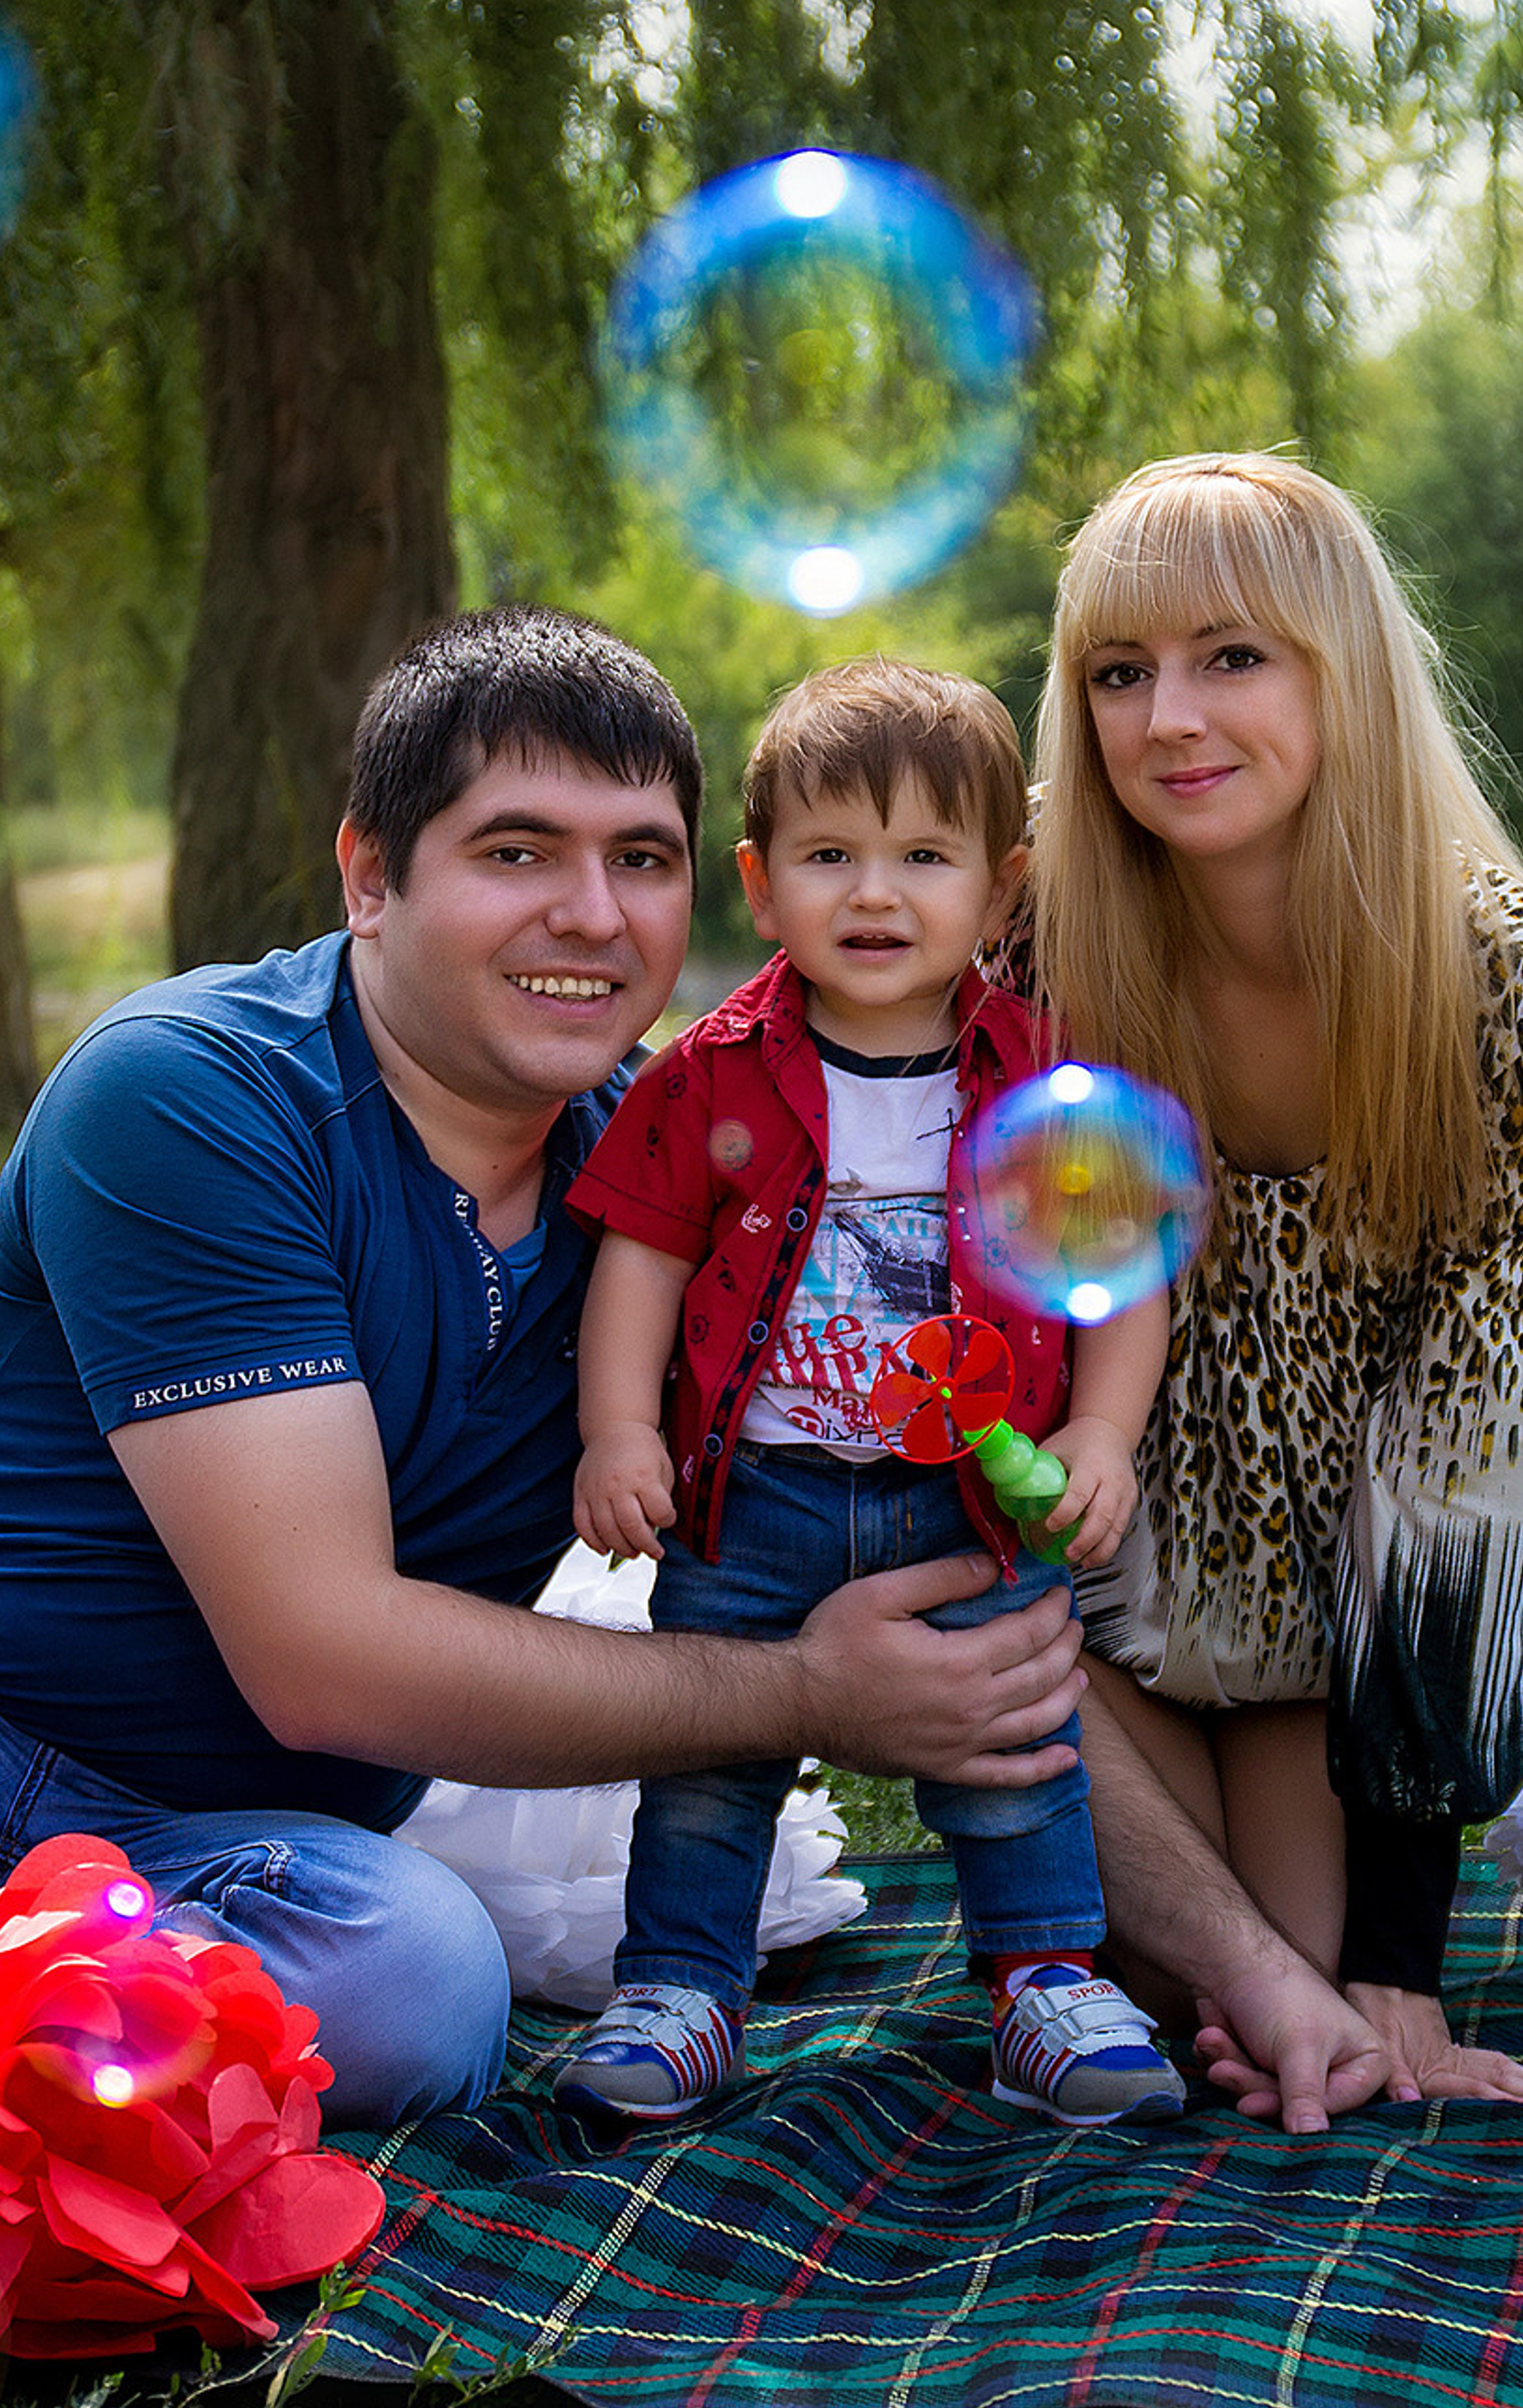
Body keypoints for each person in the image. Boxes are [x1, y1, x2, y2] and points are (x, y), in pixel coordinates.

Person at [0, 607, 1093, 2130]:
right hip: (37, 1766)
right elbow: (322, 1660)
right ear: (372, 878)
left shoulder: (666, 1174)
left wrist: (1259, 1972)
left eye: (638, 859)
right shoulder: (190, 1096)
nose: (591, 914)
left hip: (283, 1832)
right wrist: (805, 1692)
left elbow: (972, 1596)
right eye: (517, 852)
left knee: (429, 1967)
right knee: (420, 1985)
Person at [1026, 449, 1523, 2108]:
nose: (1166, 721)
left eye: (1231, 657)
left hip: (1327, 1636)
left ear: (1338, 667)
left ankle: (1256, 1945)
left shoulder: (1506, 987)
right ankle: (1205, 1934)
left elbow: (1464, 1462)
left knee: (1282, 1976)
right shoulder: (1046, 938)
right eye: (1118, 674)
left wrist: (1395, 1974)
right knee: (1187, 1975)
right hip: (1086, 1587)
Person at [556, 660, 1183, 2127]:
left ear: (1000, 885)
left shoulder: (1043, 1074)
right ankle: (683, 1990)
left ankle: (1043, 1981)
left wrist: (1098, 1430)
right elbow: (640, 1264)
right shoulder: (709, 1074)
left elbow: (1119, 1277)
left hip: (966, 1495)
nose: (875, 892)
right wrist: (618, 1431)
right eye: (830, 855)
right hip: (754, 1494)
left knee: (1013, 1739)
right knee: (707, 1758)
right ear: (761, 885)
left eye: (923, 856)